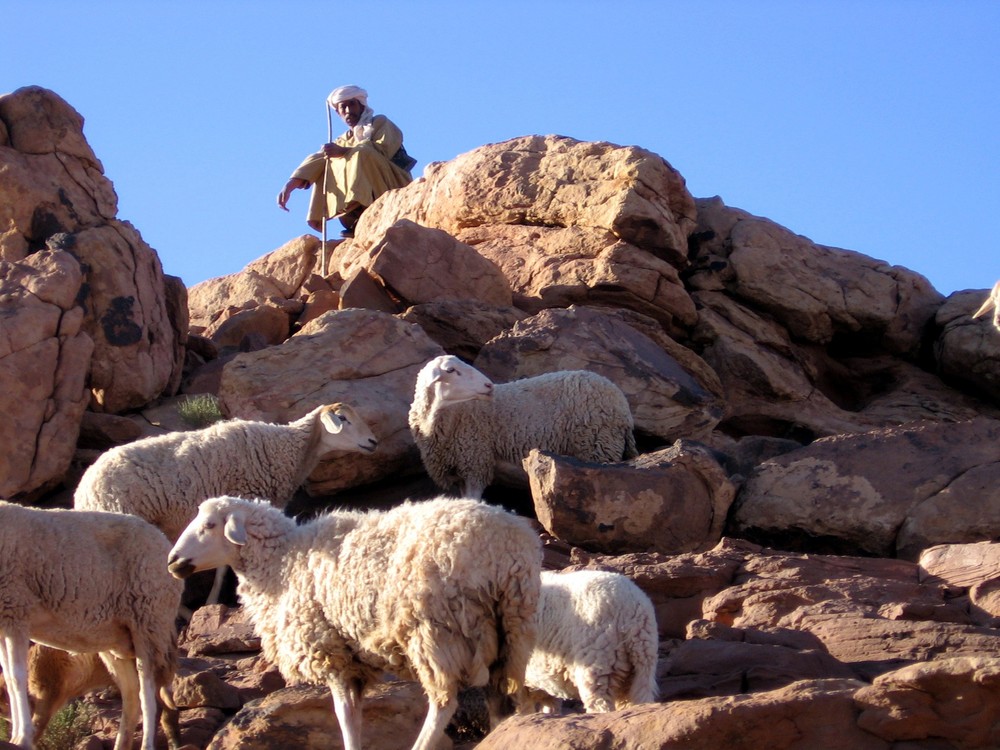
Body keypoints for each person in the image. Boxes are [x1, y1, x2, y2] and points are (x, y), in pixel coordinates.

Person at [277, 85, 415, 237]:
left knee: (362, 153)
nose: (348, 111)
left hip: (391, 183)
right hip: (365, 191)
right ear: (338, 113)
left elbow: (382, 150)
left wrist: (344, 152)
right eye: (343, 107)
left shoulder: (379, 123)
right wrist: (291, 184)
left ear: (361, 105)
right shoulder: (343, 140)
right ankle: (352, 215)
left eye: (352, 105)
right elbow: (318, 158)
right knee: (326, 161)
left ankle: (364, 204)